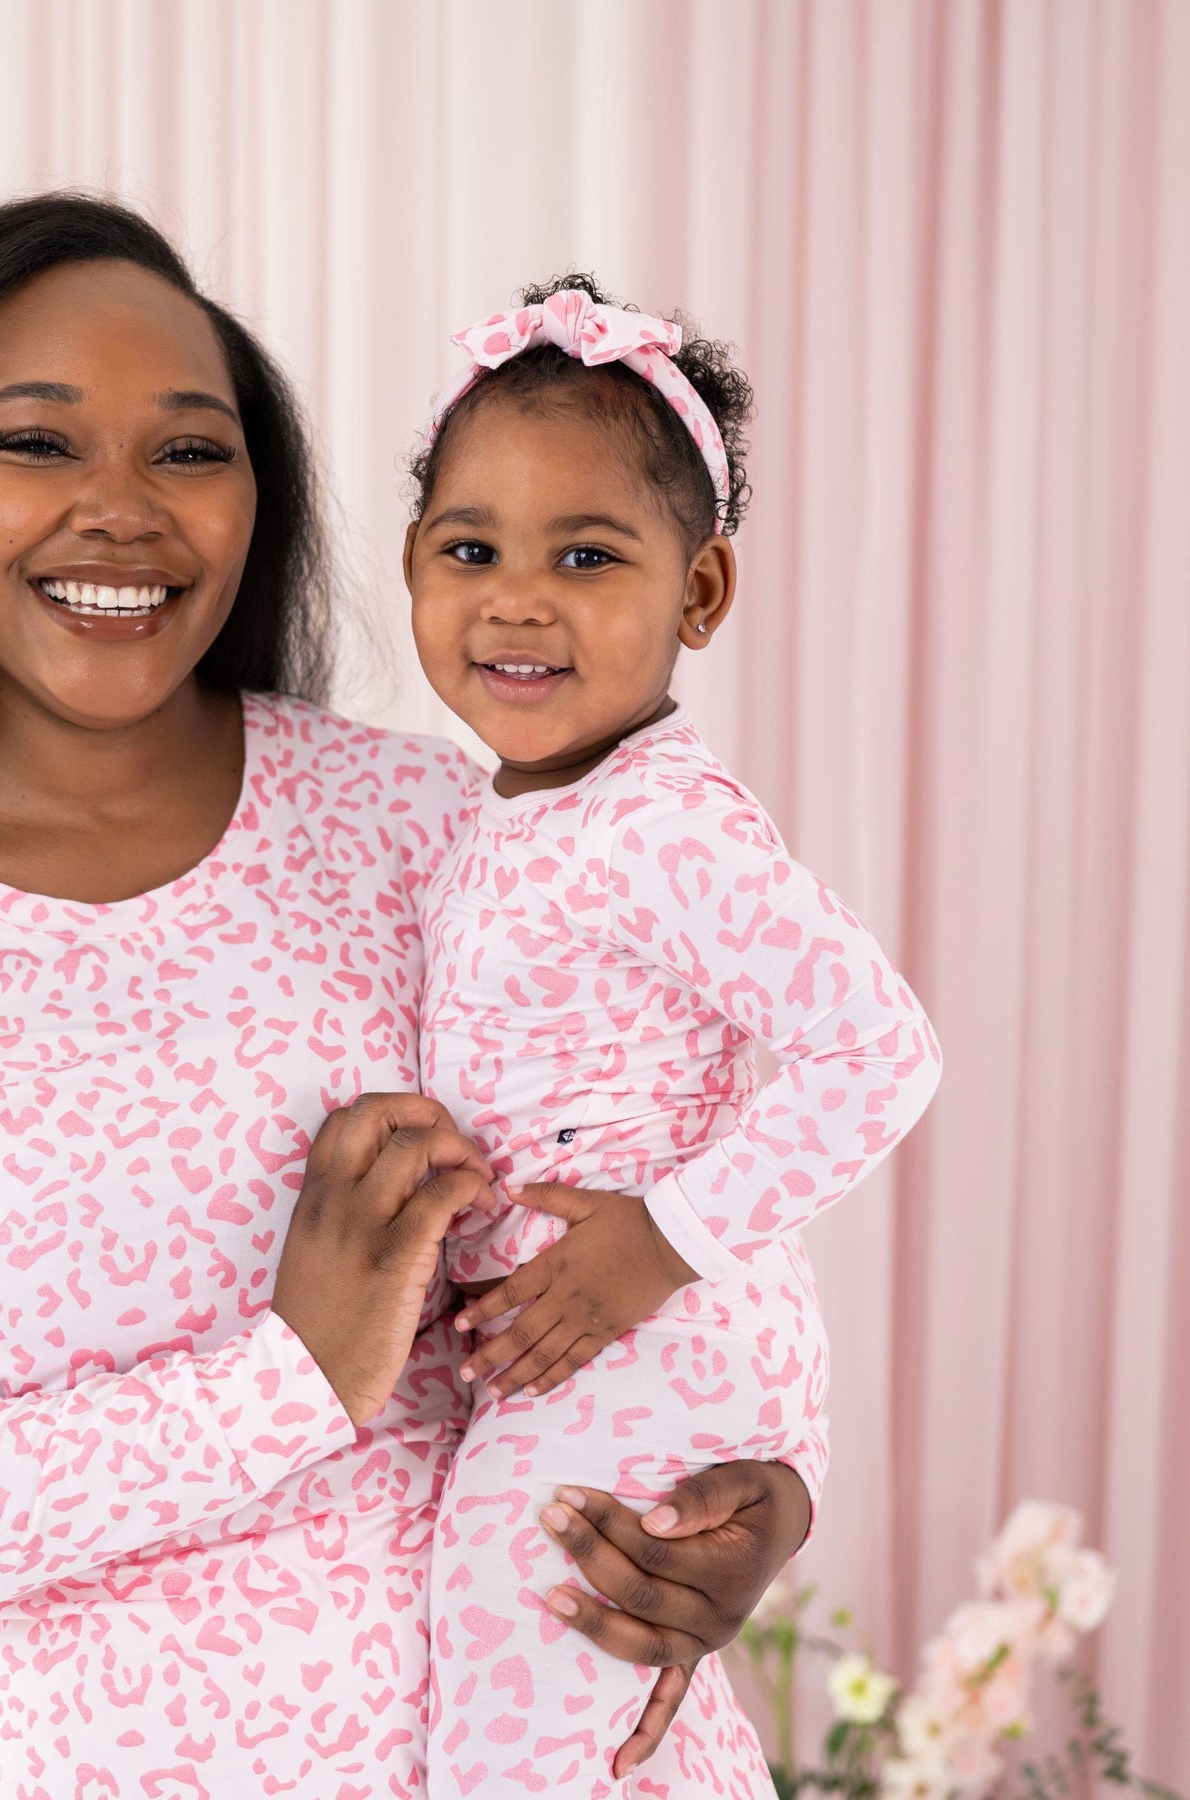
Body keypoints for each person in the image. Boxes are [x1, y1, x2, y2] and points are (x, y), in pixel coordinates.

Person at [0, 196, 827, 1799]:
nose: (123, 510)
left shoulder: (445, 829)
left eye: (189, 451)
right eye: (37, 444)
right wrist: (284, 1381)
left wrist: (765, 1497)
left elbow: (695, 1199)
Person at [403, 277, 943, 1795]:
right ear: (413, 570)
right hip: (594, 1339)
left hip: (663, 1327)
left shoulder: (661, 827)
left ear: (698, 597)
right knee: (586, 1719)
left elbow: (879, 1052)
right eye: (472, 551)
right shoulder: (492, 818)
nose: (519, 597)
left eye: (588, 556)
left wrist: (658, 1242)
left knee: (523, 1711)